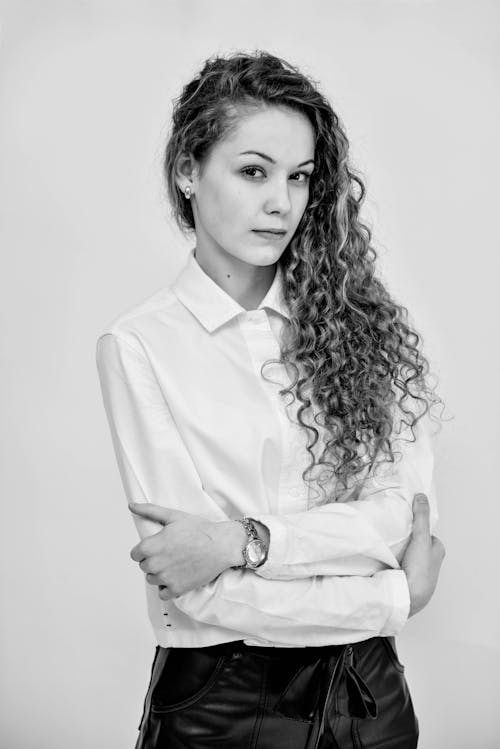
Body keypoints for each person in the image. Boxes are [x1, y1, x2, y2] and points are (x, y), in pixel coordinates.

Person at [96, 51, 446, 749]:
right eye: (254, 171)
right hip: (221, 707)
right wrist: (392, 597)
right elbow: (197, 595)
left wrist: (238, 541)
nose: (282, 202)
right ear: (187, 171)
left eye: (300, 177)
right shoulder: (138, 346)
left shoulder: (362, 325)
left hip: (369, 697)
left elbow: (396, 521)